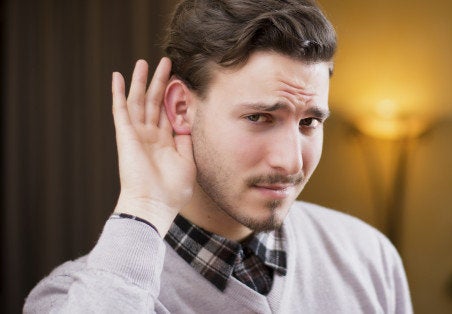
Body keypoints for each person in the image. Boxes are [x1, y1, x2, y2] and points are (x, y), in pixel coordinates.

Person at [24, 0, 412, 312]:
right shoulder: (70, 297)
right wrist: (142, 207)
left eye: (309, 122)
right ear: (180, 110)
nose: (291, 163)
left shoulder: (369, 257)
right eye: (259, 117)